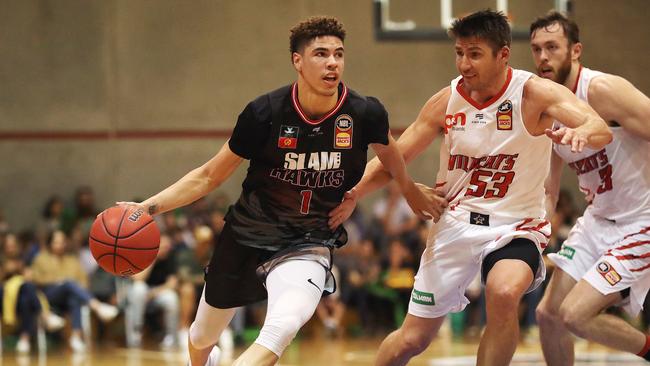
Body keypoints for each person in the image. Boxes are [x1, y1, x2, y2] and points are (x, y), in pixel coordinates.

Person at [118, 16, 438, 366]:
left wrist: (403, 190)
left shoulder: (364, 112)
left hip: (309, 240)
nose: (332, 62)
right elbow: (209, 176)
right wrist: (147, 207)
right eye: (320, 54)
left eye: (338, 54)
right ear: (297, 61)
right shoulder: (264, 113)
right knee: (201, 337)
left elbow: (391, 157)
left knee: (283, 326)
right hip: (246, 235)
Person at [328, 10, 612, 366]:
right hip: (455, 224)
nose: (464, 63)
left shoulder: (533, 93)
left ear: (503, 55)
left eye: (474, 53)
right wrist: (353, 194)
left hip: (515, 226)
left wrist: (582, 132)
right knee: (412, 340)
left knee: (505, 292)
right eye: (459, 53)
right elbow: (393, 159)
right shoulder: (446, 101)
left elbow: (599, 125)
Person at [530, 11, 650, 364]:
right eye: (536, 49)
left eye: (552, 47)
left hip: (641, 221)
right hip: (598, 221)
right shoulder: (548, 105)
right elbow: (550, 189)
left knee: (575, 315)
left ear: (576, 50)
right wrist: (536, 232)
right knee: (547, 315)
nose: (542, 57)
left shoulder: (602, 90)